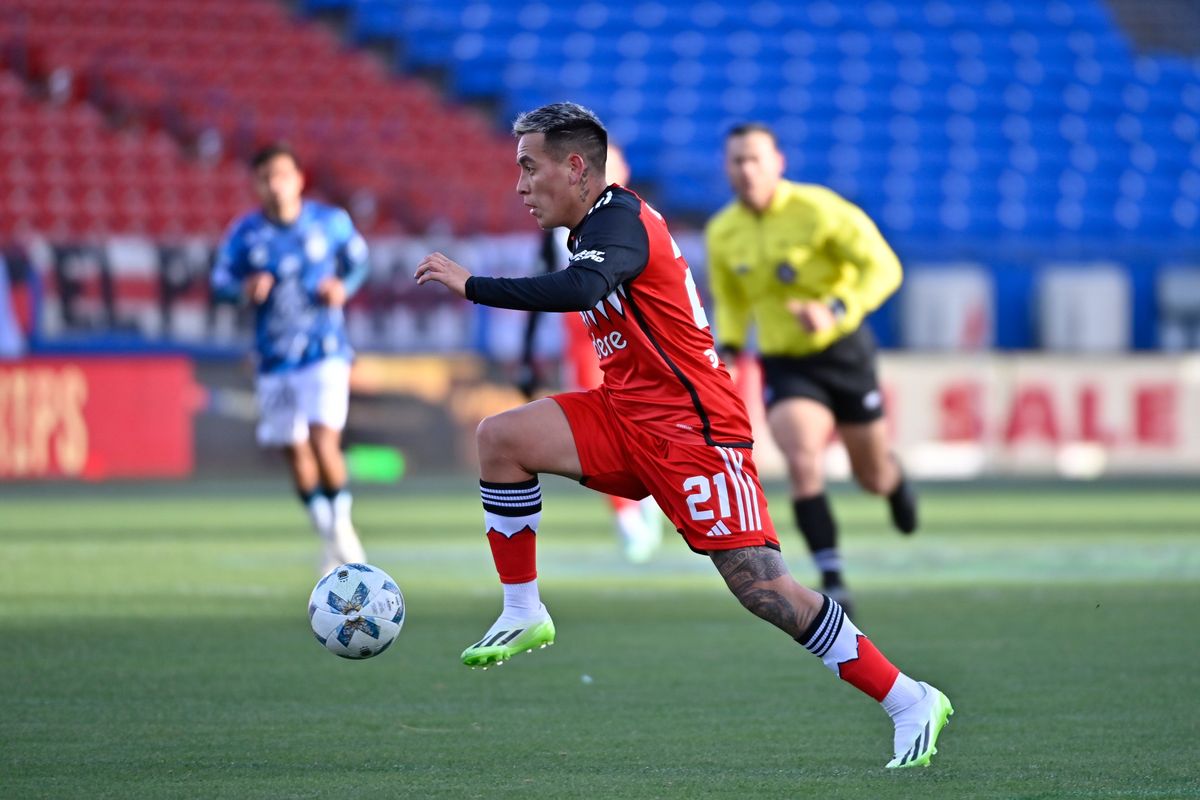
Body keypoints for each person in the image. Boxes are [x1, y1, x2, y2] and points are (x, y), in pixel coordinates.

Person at [415, 103, 953, 769]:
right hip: (624, 413)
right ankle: (524, 609)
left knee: (764, 589)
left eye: (531, 168)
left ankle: (907, 698)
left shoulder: (622, 221)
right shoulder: (588, 225)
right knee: (500, 438)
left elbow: (584, 288)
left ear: (575, 166)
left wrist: (471, 285)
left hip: (692, 428)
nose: (520, 186)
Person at [705, 122, 918, 616]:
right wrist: (730, 351)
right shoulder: (723, 231)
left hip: (844, 352)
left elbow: (885, 268)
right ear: (727, 168)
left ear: (778, 162)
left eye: (755, 158)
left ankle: (893, 480)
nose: (746, 169)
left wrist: (837, 308)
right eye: (737, 160)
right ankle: (833, 577)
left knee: (872, 475)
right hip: (786, 363)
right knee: (803, 460)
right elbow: (733, 300)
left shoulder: (820, 209)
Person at [211, 143, 369, 575]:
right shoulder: (245, 234)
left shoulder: (330, 222)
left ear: (299, 179)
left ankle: (343, 533)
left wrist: (343, 287)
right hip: (274, 359)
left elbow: (358, 262)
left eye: (281, 175)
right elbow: (219, 281)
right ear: (257, 185)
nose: (274, 185)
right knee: (294, 451)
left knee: (323, 439)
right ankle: (328, 534)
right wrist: (243, 289)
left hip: (325, 350)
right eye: (265, 178)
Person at [517, 143, 663, 563]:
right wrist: (529, 357)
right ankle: (626, 519)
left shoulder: (638, 219)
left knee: (647, 421)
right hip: (586, 343)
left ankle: (652, 494)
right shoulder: (558, 227)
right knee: (600, 428)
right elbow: (540, 288)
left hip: (638, 338)